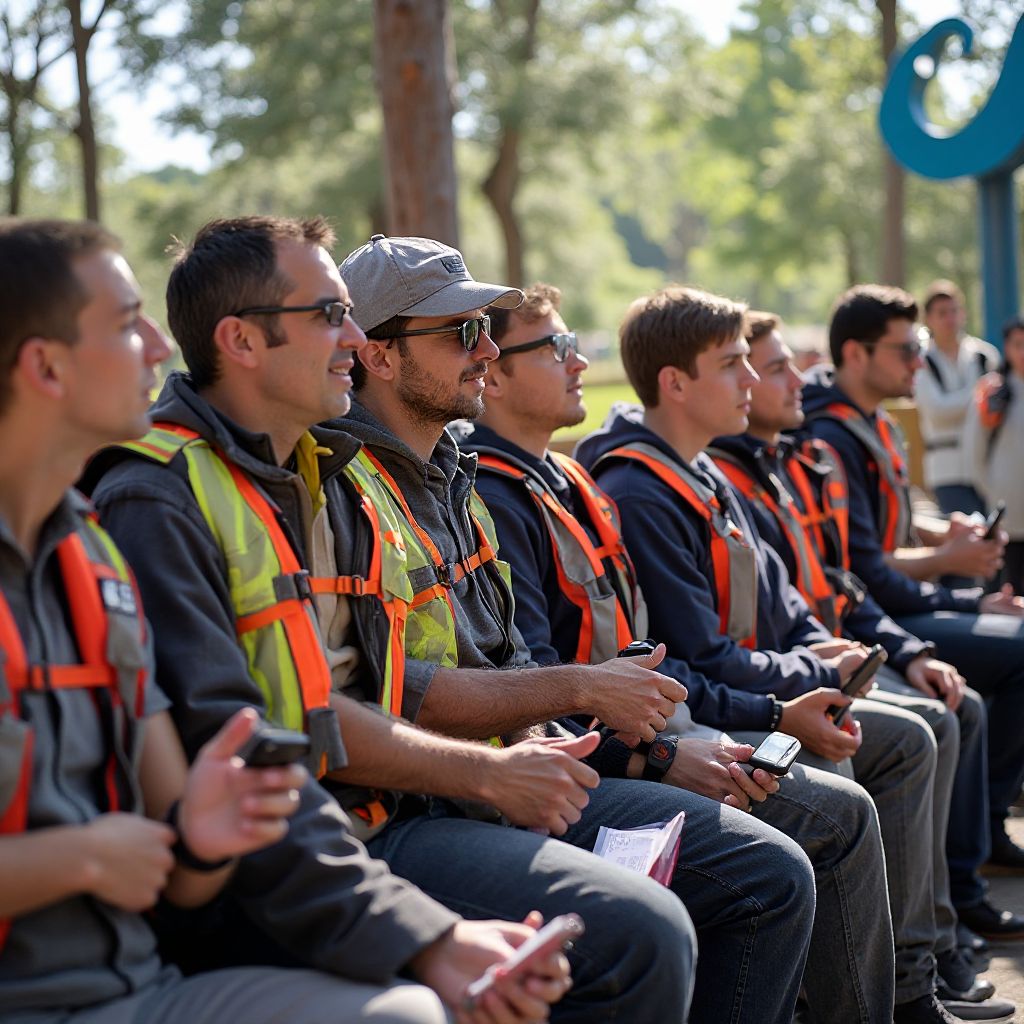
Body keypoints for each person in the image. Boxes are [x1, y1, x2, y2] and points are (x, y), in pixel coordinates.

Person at [82, 216, 651, 1023]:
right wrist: (441, 887)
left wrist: (543, 751)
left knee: (702, 889)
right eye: (329, 315)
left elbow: (318, 704)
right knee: (641, 932)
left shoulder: (302, 471)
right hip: (314, 853)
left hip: (360, 825)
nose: (353, 337)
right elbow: (261, 750)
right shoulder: (159, 496)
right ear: (241, 341)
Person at [335, 237, 817, 1024]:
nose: (486, 350)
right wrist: (592, 700)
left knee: (772, 871)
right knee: (653, 927)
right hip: (417, 806)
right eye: (462, 332)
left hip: (508, 772)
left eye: (487, 329)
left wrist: (635, 747)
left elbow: (512, 662)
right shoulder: (344, 489)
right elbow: (396, 693)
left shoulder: (453, 474)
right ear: (380, 356)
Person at [0, 217, 452, 1024]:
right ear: (44, 366)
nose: (157, 345)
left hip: (138, 983)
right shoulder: (148, 499)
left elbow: (182, 863)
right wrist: (81, 857)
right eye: (125, 323)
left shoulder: (93, 557)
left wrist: (200, 835)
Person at [456, 283, 909, 1024]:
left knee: (857, 765)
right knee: (833, 817)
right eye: (558, 348)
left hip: (653, 727)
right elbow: (532, 688)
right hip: (596, 755)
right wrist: (669, 755)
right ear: (495, 376)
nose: (579, 362)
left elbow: (675, 649)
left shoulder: (568, 480)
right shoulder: (506, 496)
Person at [575, 283, 978, 1024]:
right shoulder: (642, 490)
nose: (756, 380)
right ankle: (850, 1000)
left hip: (745, 693)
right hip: (699, 715)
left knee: (908, 734)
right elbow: (699, 659)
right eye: (734, 364)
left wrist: (824, 652)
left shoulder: (702, 470)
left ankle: (909, 983)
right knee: (837, 768)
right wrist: (807, 682)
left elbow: (785, 600)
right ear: (675, 383)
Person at [708, 311, 1013, 1017]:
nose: (788, 381)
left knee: (943, 711)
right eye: (754, 366)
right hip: (757, 690)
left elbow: (830, 587)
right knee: (921, 729)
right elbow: (707, 649)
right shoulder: (727, 471)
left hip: (822, 652)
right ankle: (913, 970)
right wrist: (814, 676)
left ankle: (931, 951)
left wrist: (902, 647)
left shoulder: (780, 460)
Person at [801, 285, 1024, 902]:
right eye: (905, 349)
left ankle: (983, 834)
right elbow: (863, 570)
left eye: (919, 345)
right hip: (873, 620)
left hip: (895, 608)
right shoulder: (829, 436)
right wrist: (957, 576)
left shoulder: (872, 419)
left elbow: (889, 526)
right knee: (1009, 657)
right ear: (856, 353)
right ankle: (974, 856)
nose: (918, 361)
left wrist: (943, 534)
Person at [914, 280, 1000, 519]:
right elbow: (937, 411)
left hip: (989, 465)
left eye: (954, 311)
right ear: (928, 319)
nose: (950, 319)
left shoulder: (984, 355)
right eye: (942, 313)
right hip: (946, 470)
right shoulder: (920, 360)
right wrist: (980, 394)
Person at [965, 316, 1024, 594]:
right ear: (1007, 348)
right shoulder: (993, 390)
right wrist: (990, 488)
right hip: (1007, 502)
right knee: (1006, 586)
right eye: (1018, 345)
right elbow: (974, 445)